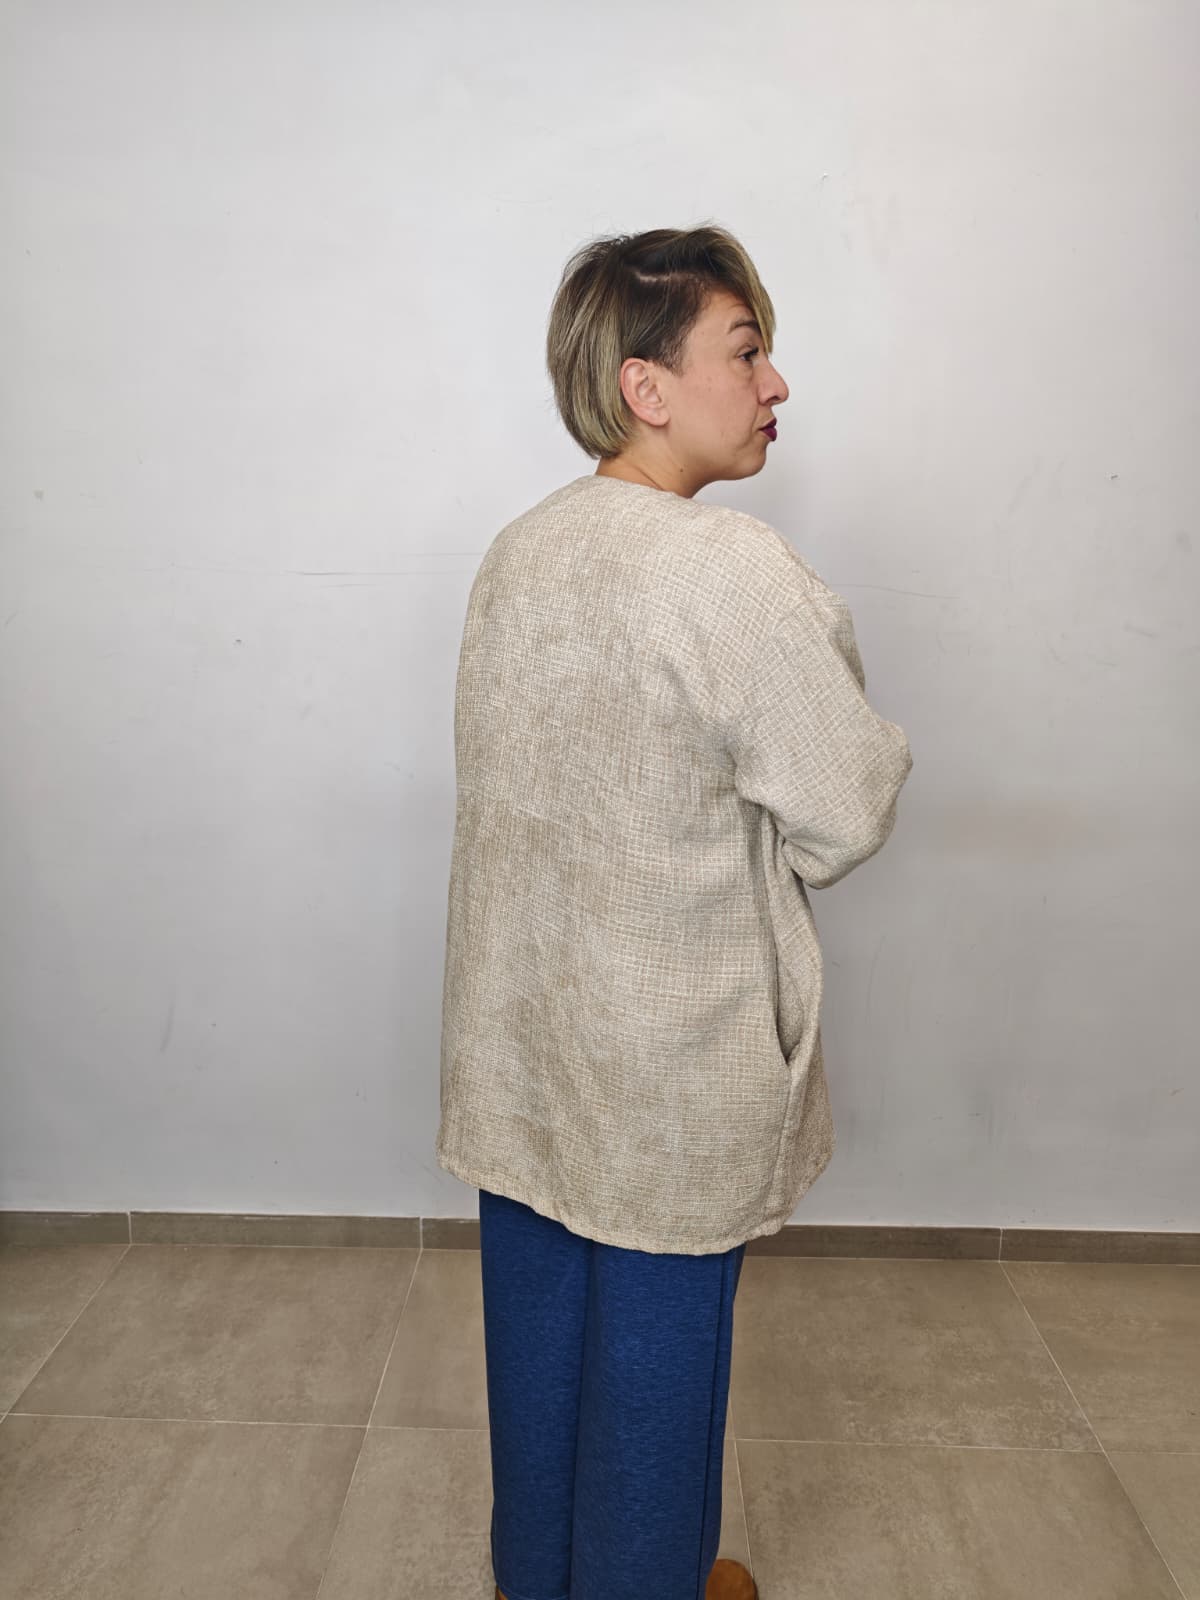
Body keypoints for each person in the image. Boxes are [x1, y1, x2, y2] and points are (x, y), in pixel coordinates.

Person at [436, 224, 913, 1600]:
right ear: (644, 385)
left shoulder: (519, 552)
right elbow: (847, 808)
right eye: (746, 351)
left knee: (540, 1348)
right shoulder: (727, 570)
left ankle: (540, 1581)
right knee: (657, 1380)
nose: (776, 384)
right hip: (665, 1068)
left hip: (524, 1042)